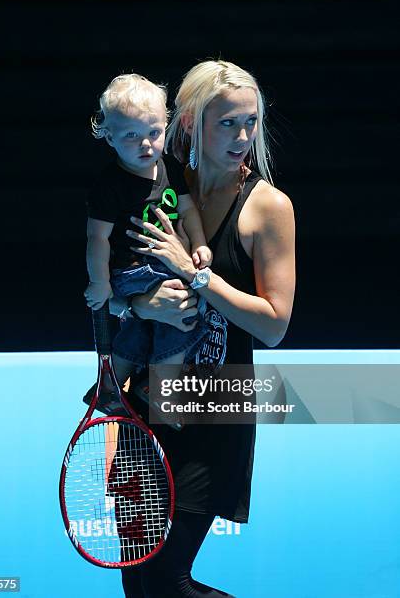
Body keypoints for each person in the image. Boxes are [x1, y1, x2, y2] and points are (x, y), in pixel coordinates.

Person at [110, 59, 295, 597]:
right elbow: (121, 289)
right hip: (147, 398)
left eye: (251, 122)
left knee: (168, 581)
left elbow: (275, 325)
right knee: (139, 586)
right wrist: (146, 304)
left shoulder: (268, 208)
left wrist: (197, 275)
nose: (243, 136)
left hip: (216, 402)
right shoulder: (160, 186)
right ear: (189, 123)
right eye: (227, 123)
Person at [84, 73, 212, 405]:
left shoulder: (169, 166)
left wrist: (199, 244)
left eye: (154, 133)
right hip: (132, 273)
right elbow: (97, 238)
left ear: (165, 127)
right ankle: (162, 392)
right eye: (131, 135)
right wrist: (100, 283)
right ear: (109, 138)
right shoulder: (110, 184)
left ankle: (112, 384)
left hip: (164, 264)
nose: (146, 144)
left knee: (142, 328)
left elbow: (188, 212)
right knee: (183, 314)